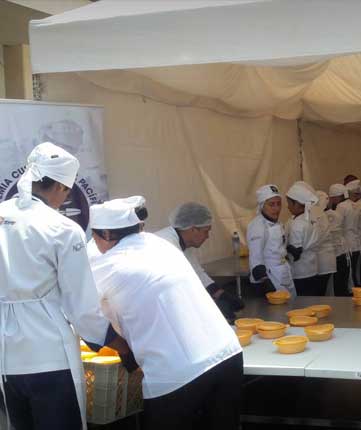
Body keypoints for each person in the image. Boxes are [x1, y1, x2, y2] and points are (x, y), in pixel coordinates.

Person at [0, 142, 127, 430]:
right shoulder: (61, 228)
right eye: (67, 191)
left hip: (5, 359)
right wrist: (116, 343)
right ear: (59, 187)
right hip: (49, 355)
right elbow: (82, 307)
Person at [89, 196, 242, 430]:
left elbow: (86, 320)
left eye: (96, 237)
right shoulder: (158, 244)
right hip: (228, 355)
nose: (95, 243)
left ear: (107, 235)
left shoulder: (107, 264)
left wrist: (122, 348)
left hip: (178, 373)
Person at [155, 202, 243, 321]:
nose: (207, 236)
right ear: (192, 229)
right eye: (206, 231)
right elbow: (182, 288)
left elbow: (197, 273)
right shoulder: (165, 245)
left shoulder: (183, 242)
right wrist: (212, 307)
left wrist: (222, 295)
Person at [246, 185, 296, 296]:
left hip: (282, 274)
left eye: (279, 204)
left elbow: (275, 246)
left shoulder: (277, 222)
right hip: (269, 278)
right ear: (262, 205)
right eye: (271, 204)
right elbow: (255, 258)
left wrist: (288, 248)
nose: (276, 208)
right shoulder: (257, 226)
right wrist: (265, 281)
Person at [286, 181, 322, 295]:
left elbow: (296, 253)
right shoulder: (310, 217)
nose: (287, 206)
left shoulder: (298, 224)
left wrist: (283, 247)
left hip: (300, 272)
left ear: (297, 204)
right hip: (311, 268)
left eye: (289, 203)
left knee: (302, 305)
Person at [328, 184, 351, 295]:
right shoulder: (352, 204)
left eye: (331, 198)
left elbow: (335, 228)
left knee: (340, 282)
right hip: (349, 246)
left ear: (336, 197)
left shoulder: (340, 208)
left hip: (343, 247)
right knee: (346, 279)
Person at [315, 191, 337, 296]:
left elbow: (317, 239)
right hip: (327, 258)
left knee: (322, 290)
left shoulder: (319, 216)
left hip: (324, 259)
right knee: (326, 290)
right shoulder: (322, 215)